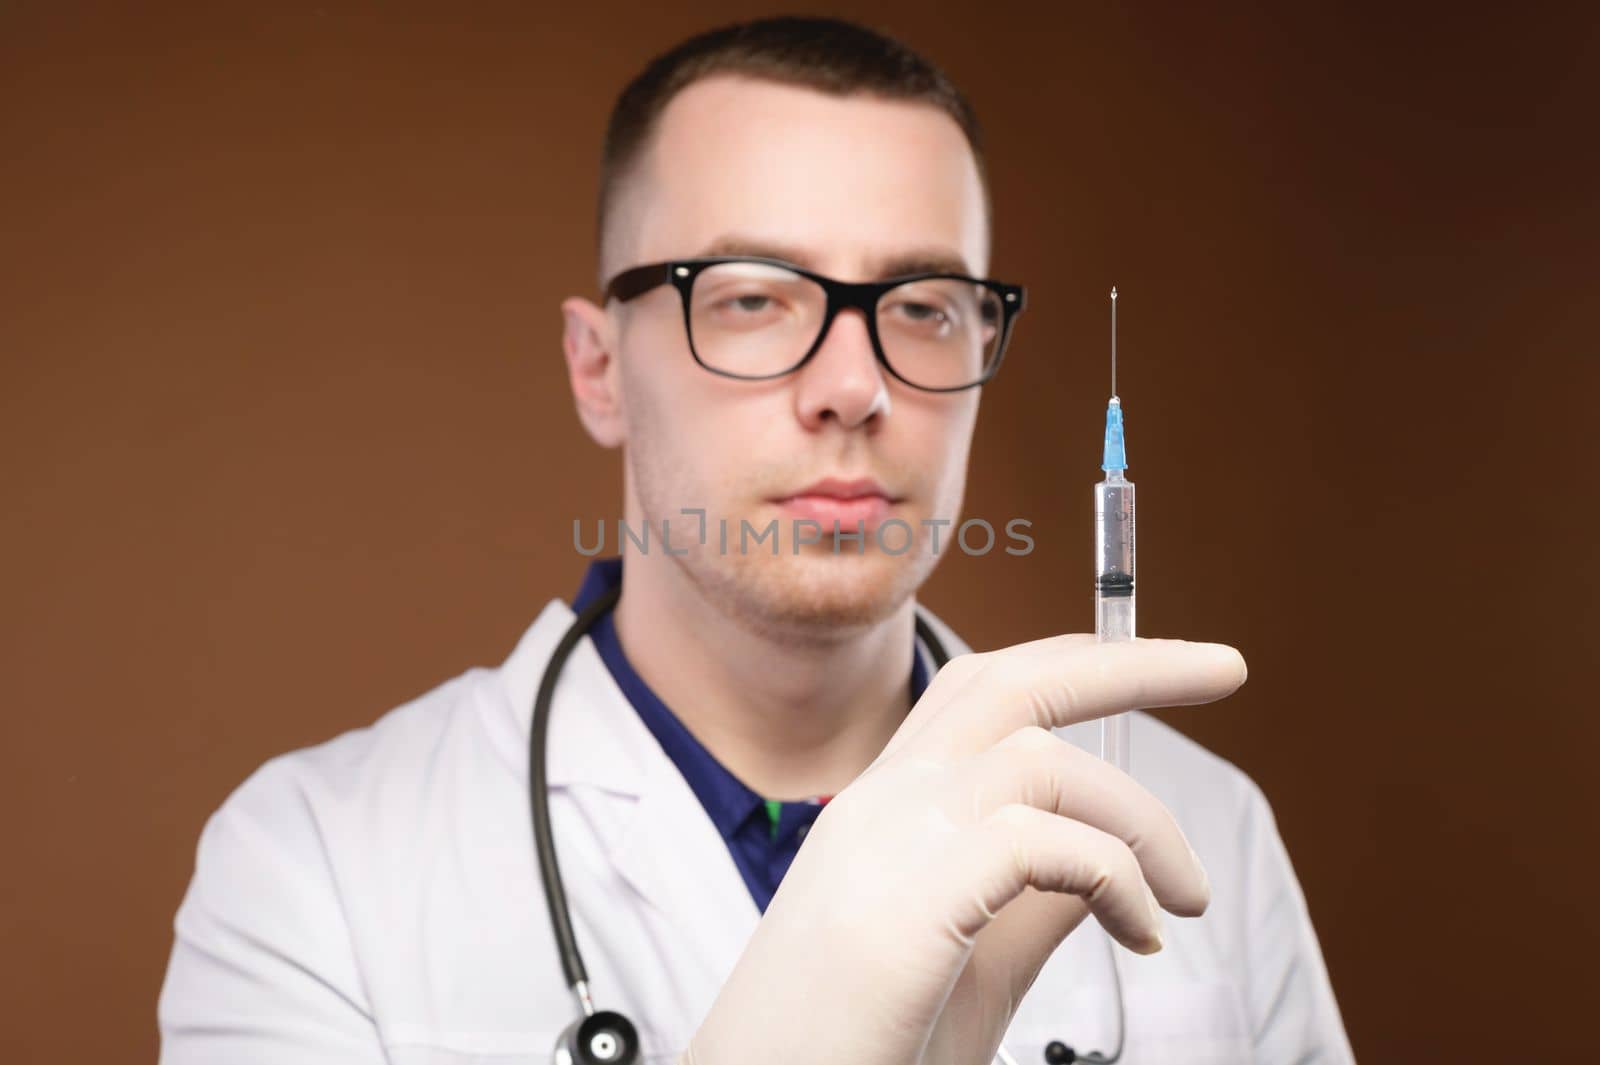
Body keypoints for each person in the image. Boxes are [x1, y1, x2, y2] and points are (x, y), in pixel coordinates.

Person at [158, 16, 1354, 1065]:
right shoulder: (312, 868)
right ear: (598, 366)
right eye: (748, 295)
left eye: (925, 307)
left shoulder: (1202, 829)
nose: (851, 385)